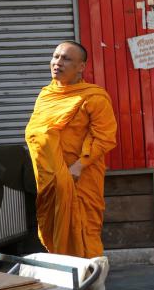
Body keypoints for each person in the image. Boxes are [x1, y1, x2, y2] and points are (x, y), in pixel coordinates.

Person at [25, 41, 117, 258]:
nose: (57, 63)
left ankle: (92, 286)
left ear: (81, 67)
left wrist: (78, 166)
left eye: (66, 59)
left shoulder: (93, 97)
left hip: (80, 177)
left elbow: (104, 137)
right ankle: (67, 284)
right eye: (55, 57)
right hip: (50, 180)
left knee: (85, 229)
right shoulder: (46, 95)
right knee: (53, 229)